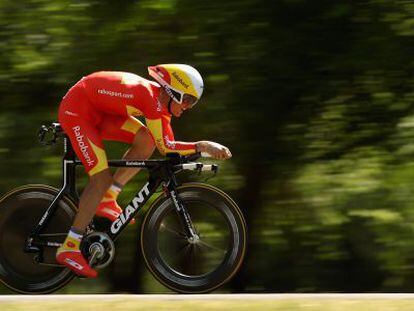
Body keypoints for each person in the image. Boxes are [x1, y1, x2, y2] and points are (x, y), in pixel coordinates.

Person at [55, 64, 232, 278]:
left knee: (146, 139)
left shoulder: (160, 105)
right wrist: (202, 146)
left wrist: (197, 148)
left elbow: (164, 143)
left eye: (192, 102)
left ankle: (109, 198)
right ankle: (70, 247)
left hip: (98, 110)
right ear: (174, 91)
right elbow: (167, 147)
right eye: (187, 99)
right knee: (100, 180)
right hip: (78, 111)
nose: (188, 106)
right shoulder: (151, 101)